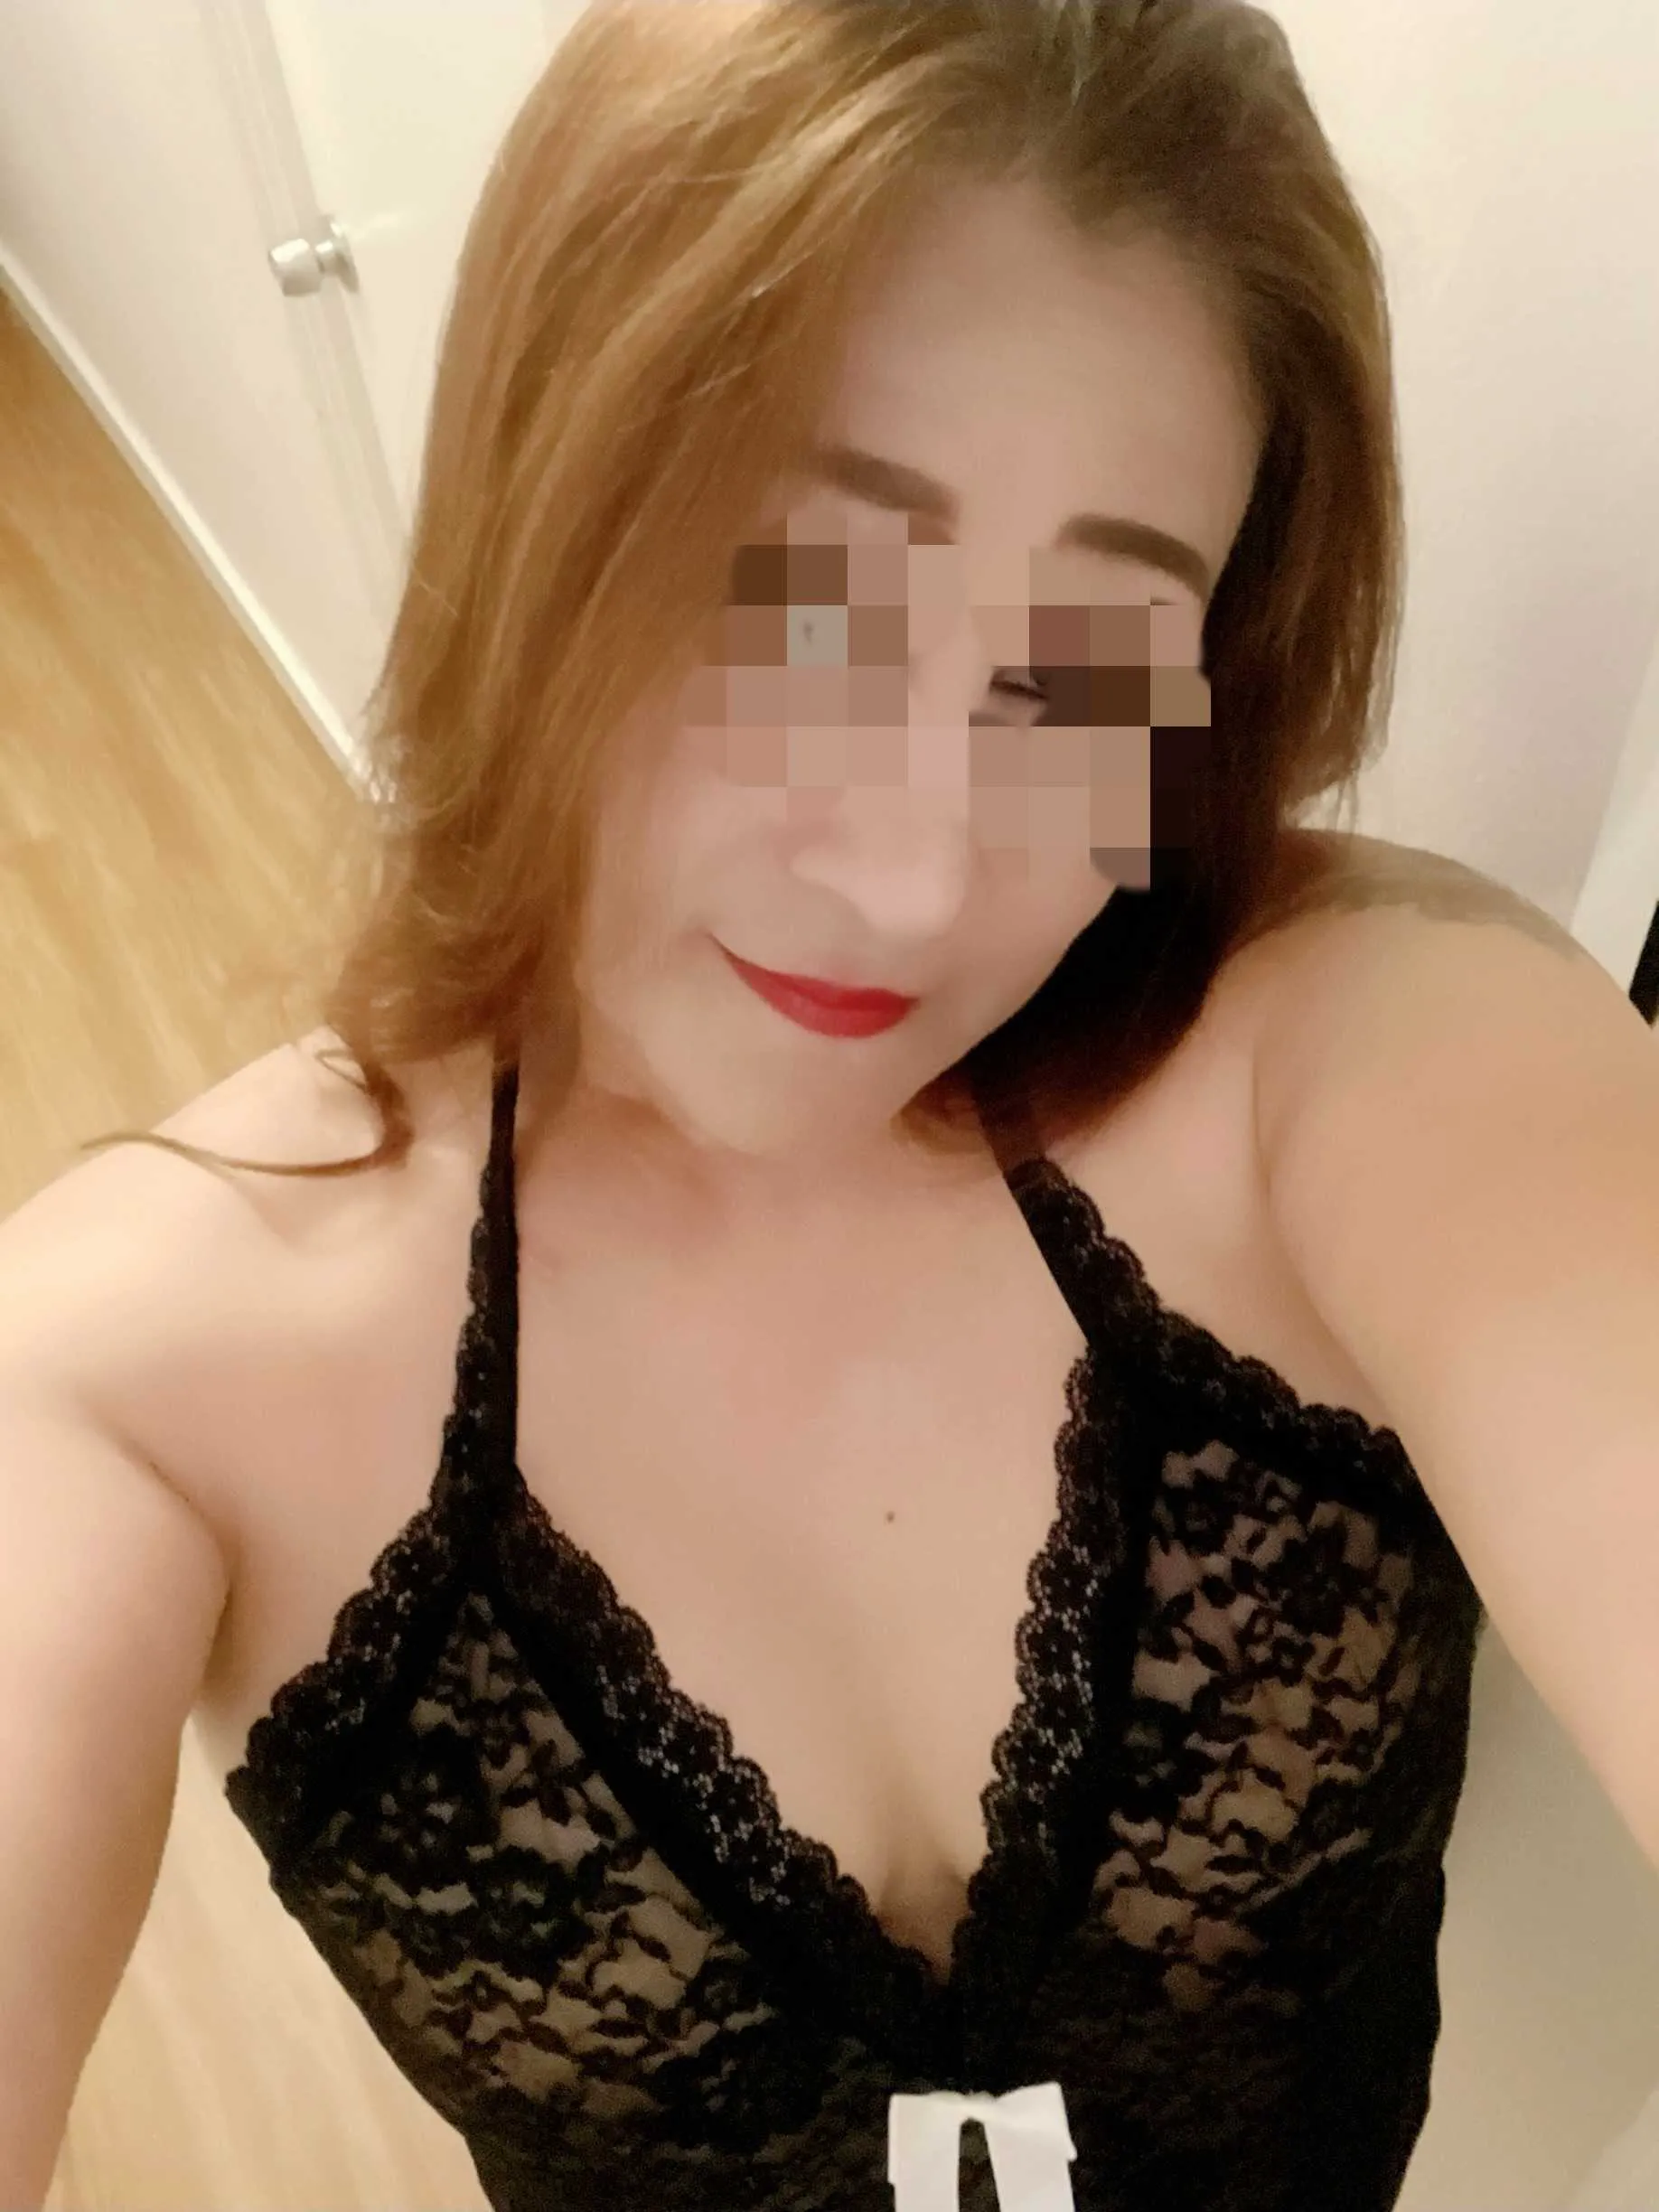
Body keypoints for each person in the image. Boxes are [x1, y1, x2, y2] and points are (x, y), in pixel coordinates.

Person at [22, 0, 1617, 2204]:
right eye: (804, 607)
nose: (920, 878)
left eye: (1079, 677)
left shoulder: (1368, 1059)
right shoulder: (128, 1380)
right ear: (537, 500)